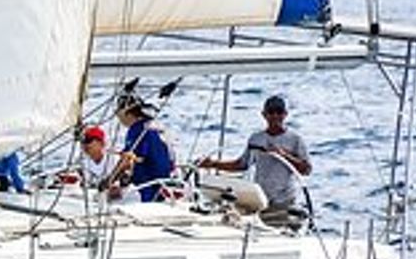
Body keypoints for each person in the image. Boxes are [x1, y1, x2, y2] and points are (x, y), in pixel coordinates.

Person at [197, 94, 312, 225]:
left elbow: (306, 169)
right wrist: (212, 164)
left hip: (284, 202)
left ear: (285, 114)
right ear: (264, 115)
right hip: (260, 199)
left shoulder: (295, 139)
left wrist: (284, 155)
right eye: (271, 112)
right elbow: (242, 164)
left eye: (279, 112)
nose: (275, 116)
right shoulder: (256, 139)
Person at [112, 96, 177, 202]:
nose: (118, 118)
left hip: (148, 190)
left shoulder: (137, 130)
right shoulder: (156, 125)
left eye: (118, 113)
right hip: (167, 186)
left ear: (127, 113)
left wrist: (109, 181)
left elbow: (127, 160)